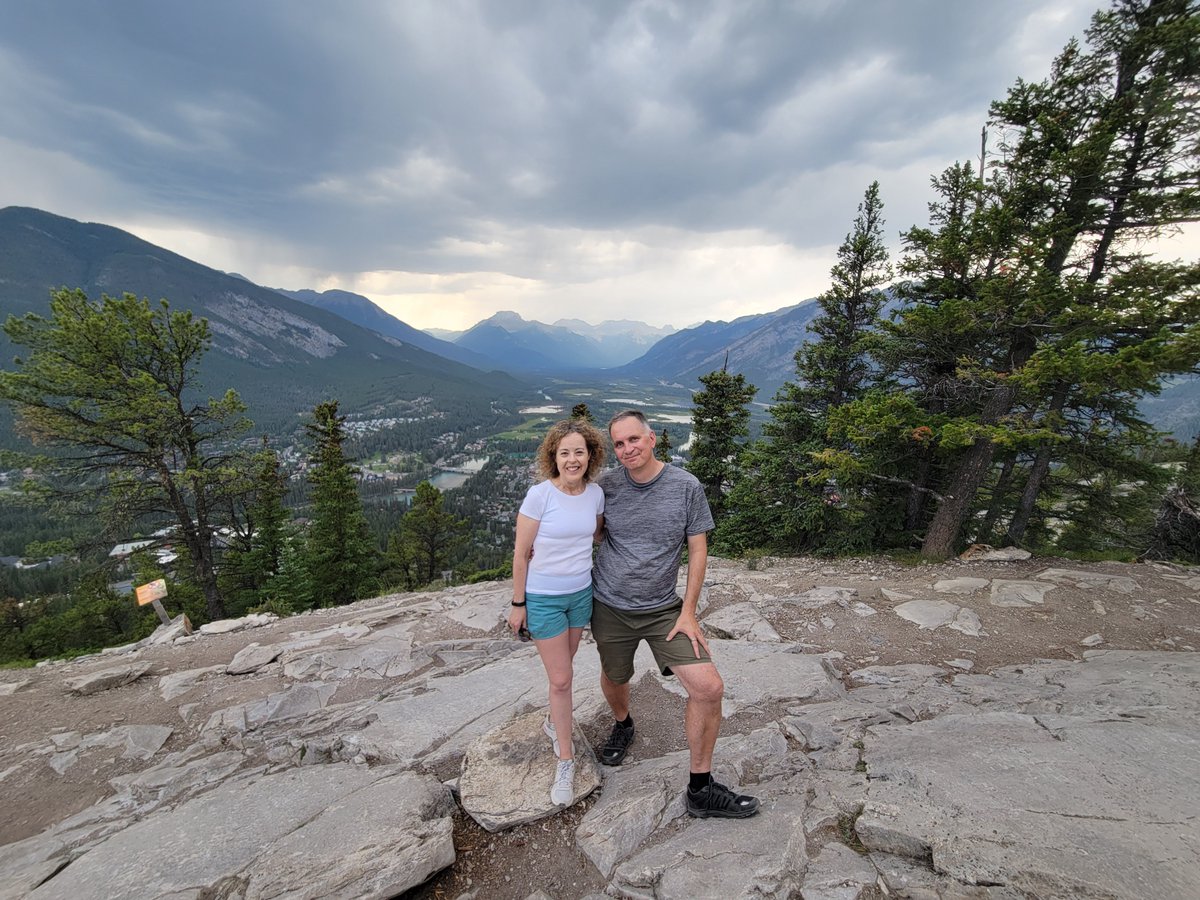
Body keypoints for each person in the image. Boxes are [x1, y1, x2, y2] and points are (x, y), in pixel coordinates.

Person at [590, 409, 759, 819]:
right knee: (615, 677)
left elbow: (698, 548)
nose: (627, 449)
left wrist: (689, 611)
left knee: (708, 687)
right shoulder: (607, 486)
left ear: (651, 439)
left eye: (634, 439)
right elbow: (590, 532)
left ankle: (700, 789)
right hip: (609, 604)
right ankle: (624, 723)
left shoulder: (685, 486)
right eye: (619, 443)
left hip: (665, 609)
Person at [508, 418, 606, 807]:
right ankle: (565, 757)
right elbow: (520, 552)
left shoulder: (595, 494)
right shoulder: (539, 496)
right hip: (544, 597)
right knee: (563, 679)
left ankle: (554, 721)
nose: (572, 459)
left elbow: (596, 534)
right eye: (564, 452)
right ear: (553, 456)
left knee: (564, 668)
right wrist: (519, 603)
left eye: (579, 451)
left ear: (590, 455)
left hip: (581, 594)